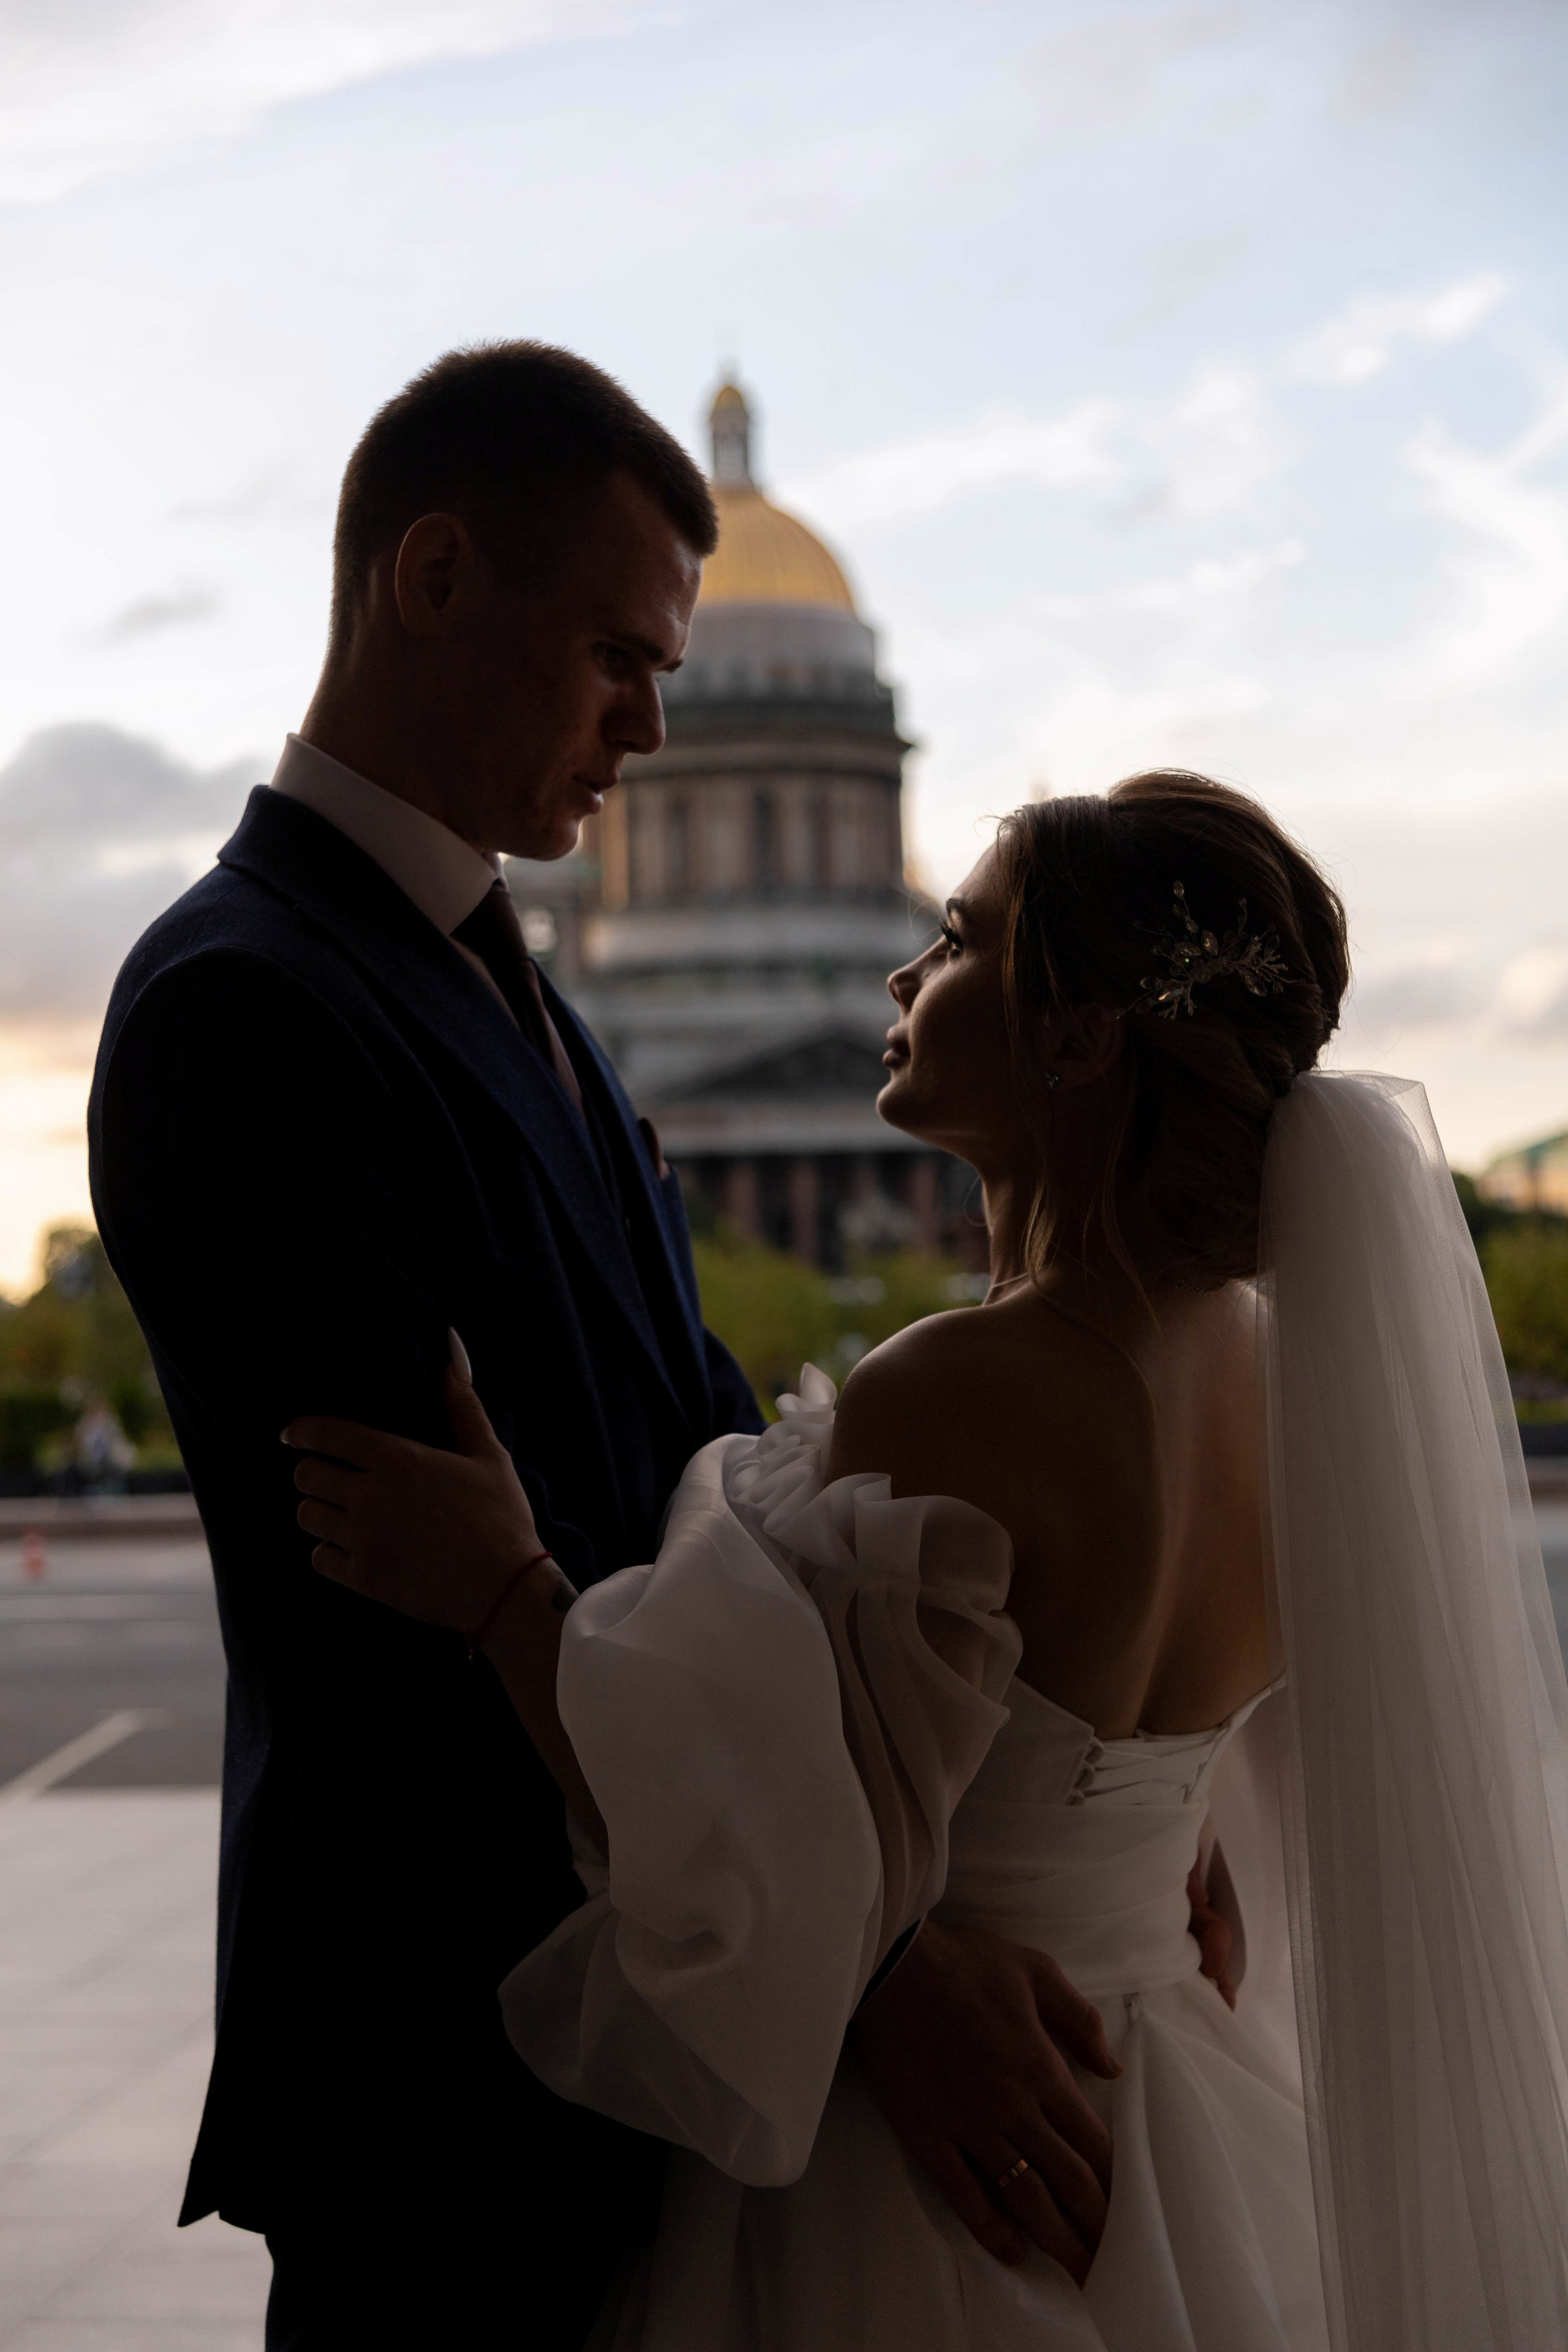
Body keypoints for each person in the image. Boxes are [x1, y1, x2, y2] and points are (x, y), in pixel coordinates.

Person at [88, 342, 1115, 2351]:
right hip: (468, 2079)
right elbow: (433, 1621)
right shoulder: (247, 1006)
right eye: (623, 661)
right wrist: (876, 1958)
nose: (653, 729)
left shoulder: (509, 987)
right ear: (437, 577)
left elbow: (707, 1481)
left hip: (651, 2038)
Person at [287, 772, 1568, 2348]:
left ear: (1075, 1037)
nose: (900, 975)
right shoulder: (1288, 1381)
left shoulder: (962, 1390)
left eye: (956, 938)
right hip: (1160, 2102)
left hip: (923, 2161)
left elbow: (732, 1845)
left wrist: (500, 1588)